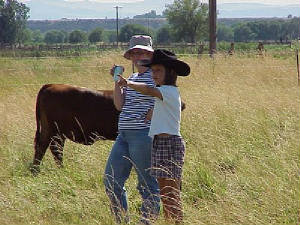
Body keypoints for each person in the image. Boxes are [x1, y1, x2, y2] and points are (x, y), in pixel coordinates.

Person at [118, 49, 190, 224]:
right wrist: (151, 114)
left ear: (171, 72)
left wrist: (128, 83)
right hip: (158, 143)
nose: (154, 74)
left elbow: (149, 91)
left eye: (158, 70)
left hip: (171, 144)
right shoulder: (164, 92)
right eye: (153, 70)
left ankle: (176, 221)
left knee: (172, 194)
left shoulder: (169, 91)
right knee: (164, 193)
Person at [103, 35, 160, 225]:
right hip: (124, 135)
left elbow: (166, 96)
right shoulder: (133, 78)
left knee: (147, 185)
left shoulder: (157, 75)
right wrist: (118, 83)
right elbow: (120, 106)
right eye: (134, 52)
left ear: (151, 54)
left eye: (142, 52)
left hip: (143, 136)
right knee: (111, 180)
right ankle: (122, 221)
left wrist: (153, 112)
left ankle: (147, 222)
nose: (138, 56)